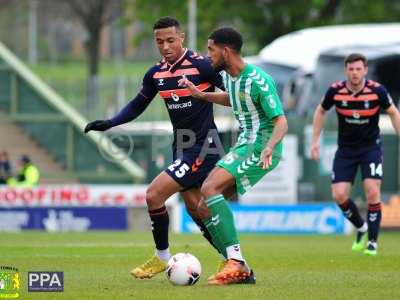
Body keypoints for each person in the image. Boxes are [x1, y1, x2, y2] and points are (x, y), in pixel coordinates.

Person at [84, 17, 227, 279]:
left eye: (170, 40)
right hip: (182, 145)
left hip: (204, 144)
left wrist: (209, 96)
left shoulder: (202, 66)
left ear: (181, 37)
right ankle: (232, 261)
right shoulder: (156, 74)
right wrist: (110, 123)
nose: (165, 46)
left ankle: (162, 257)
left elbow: (233, 95)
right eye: (159, 41)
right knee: (197, 208)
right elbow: (138, 105)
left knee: (153, 195)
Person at [179, 27, 288, 285]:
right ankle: (242, 270)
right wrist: (202, 95)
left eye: (211, 50)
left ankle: (235, 261)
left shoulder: (259, 79)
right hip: (244, 144)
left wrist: (270, 147)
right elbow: (233, 99)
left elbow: (282, 122)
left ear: (225, 51)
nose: (208, 56)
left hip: (260, 146)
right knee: (203, 207)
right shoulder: (229, 77)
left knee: (209, 187)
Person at [310, 53, 400, 256]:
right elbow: (320, 111)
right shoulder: (336, 90)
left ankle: (373, 243)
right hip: (346, 151)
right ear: (346, 71)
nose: (355, 73)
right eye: (351, 69)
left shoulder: (377, 91)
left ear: (365, 70)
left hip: (371, 149)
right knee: (339, 195)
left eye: (359, 69)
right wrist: (315, 141)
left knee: (372, 191)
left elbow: (393, 112)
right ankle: (361, 227)